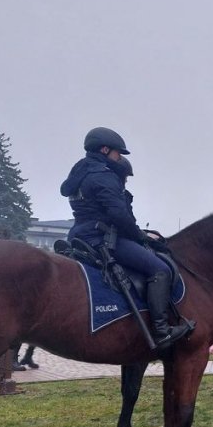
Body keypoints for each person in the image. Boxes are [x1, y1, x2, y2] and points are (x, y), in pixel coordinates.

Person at [60, 127, 191, 350]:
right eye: (117, 153)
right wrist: (141, 237)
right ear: (104, 149)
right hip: (103, 238)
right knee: (160, 269)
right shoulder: (103, 175)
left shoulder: (80, 172)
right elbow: (119, 215)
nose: (119, 158)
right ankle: (161, 330)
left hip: (79, 234)